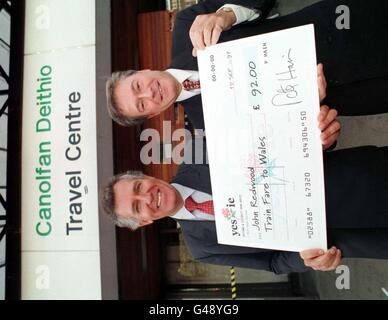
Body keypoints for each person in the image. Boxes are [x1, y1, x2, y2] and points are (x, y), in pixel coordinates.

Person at [101, 137, 388, 274]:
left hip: (362, 177)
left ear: (147, 176)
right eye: (138, 208)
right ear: (144, 222)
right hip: (357, 237)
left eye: (138, 188)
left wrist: (315, 136)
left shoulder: (201, 150)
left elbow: (278, 135)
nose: (148, 197)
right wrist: (306, 259)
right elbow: (273, 262)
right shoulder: (203, 249)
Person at [106, 0, 388, 129]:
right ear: (152, 114)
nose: (149, 93)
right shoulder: (209, 128)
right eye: (142, 104)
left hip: (344, 29)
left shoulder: (185, 28)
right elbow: (282, 135)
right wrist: (310, 111)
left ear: (142, 71)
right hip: (354, 94)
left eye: (138, 86)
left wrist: (228, 13)